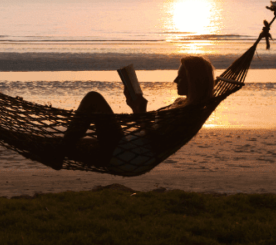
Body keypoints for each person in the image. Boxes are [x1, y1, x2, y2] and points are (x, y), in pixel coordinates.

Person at [54, 55, 216, 172]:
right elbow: (153, 134)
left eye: (181, 77)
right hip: (129, 148)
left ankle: (58, 155)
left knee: (93, 98)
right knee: (66, 142)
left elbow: (156, 143)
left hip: (128, 155)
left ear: (193, 81)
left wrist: (141, 112)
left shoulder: (187, 114)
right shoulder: (183, 105)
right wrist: (136, 108)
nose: (175, 80)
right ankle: (58, 151)